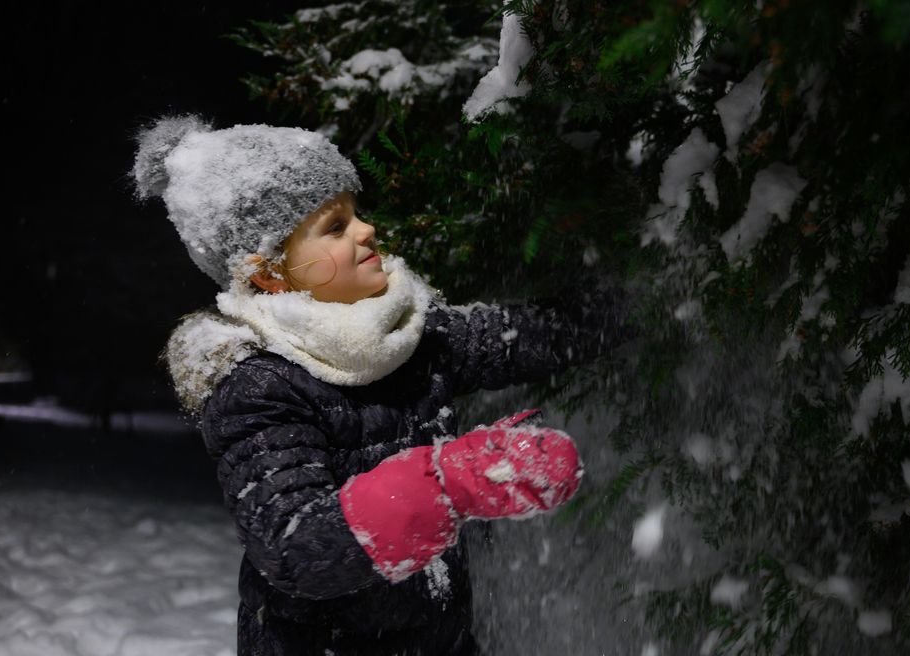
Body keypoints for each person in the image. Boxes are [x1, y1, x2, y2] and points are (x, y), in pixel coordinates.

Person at [130, 115, 628, 656]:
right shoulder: (259, 387)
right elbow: (294, 545)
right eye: (335, 227)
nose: (365, 229)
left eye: (356, 214)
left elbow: (512, 339)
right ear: (268, 272)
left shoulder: (407, 334)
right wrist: (449, 482)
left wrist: (637, 305)